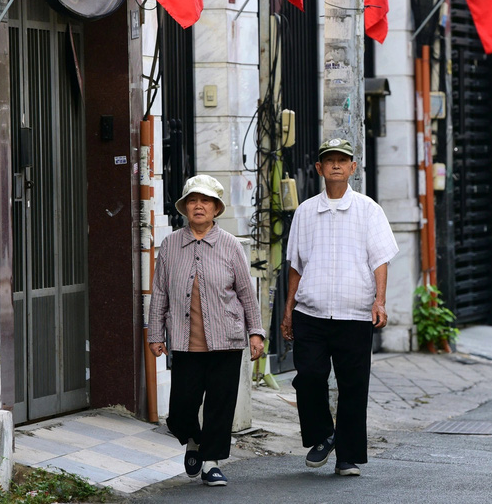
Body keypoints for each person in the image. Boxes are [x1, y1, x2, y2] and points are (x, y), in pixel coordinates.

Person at [280, 138, 399, 477]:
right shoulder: (305, 212)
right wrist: (288, 310)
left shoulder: (368, 210)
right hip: (311, 312)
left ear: (352, 168)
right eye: (328, 160)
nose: (335, 165)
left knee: (353, 385)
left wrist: (380, 301)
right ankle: (323, 435)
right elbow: (296, 266)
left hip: (355, 313)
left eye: (342, 160)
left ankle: (347, 456)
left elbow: (380, 261)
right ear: (319, 168)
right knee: (309, 377)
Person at [147, 174, 265, 487]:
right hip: (186, 342)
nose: (199, 206)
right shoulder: (171, 245)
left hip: (227, 339)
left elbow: (246, 293)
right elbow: (159, 293)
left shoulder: (230, 246)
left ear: (215, 208)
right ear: (185, 208)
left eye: (206, 201)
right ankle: (194, 442)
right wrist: (155, 334)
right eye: (193, 201)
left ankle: (211, 462)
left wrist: (256, 332)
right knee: (179, 411)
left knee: (219, 406)